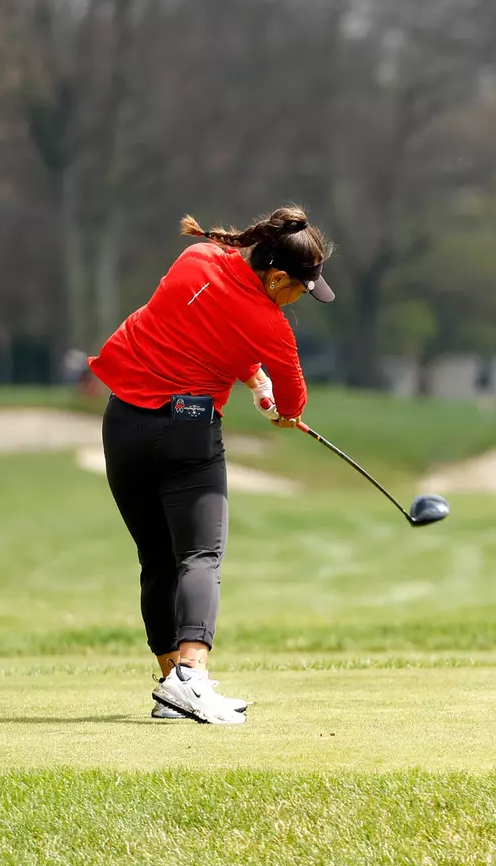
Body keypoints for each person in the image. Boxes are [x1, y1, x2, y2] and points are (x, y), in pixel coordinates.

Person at [88, 205, 335, 724]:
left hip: (123, 424)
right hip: (187, 429)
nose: (298, 301)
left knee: (155, 558)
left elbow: (206, 323)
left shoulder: (197, 259)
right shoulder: (272, 326)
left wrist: (251, 376)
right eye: (299, 290)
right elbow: (293, 402)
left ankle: (172, 685)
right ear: (277, 278)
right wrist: (279, 407)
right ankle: (192, 677)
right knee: (199, 555)